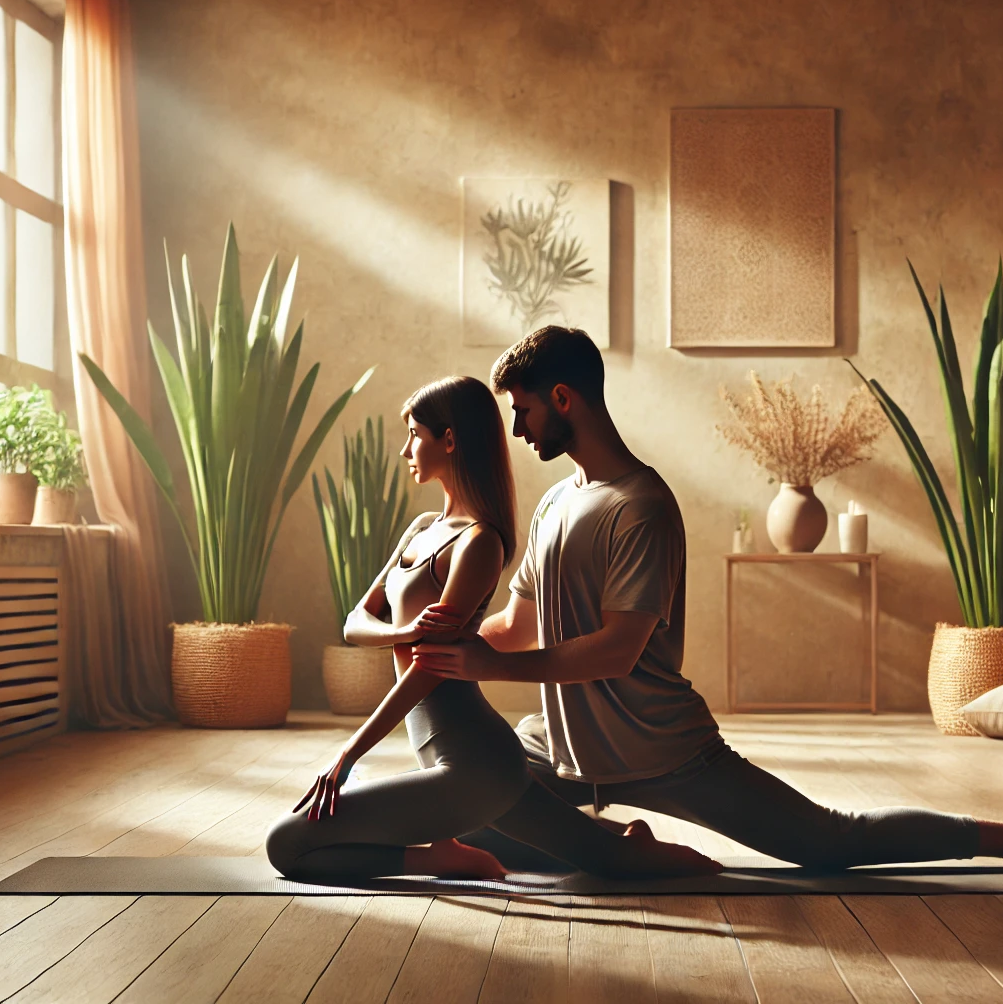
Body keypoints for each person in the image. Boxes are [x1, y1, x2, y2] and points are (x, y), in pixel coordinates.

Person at [413, 327, 1003, 871]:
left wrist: (486, 668)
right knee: (466, 822)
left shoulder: (642, 507)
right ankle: (621, 844)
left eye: (525, 410)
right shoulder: (552, 507)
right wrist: (438, 639)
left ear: (564, 399)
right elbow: (515, 624)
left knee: (829, 845)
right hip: (565, 749)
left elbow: (616, 649)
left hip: (663, 751)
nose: (515, 429)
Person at [265, 375, 723, 882]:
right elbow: (355, 622)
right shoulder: (421, 529)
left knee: (287, 844)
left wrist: (348, 754)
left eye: (415, 434)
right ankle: (623, 841)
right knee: (603, 858)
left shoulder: (479, 542)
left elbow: (429, 670)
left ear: (450, 440)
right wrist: (405, 631)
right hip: (460, 763)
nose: (405, 449)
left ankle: (442, 856)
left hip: (475, 766)